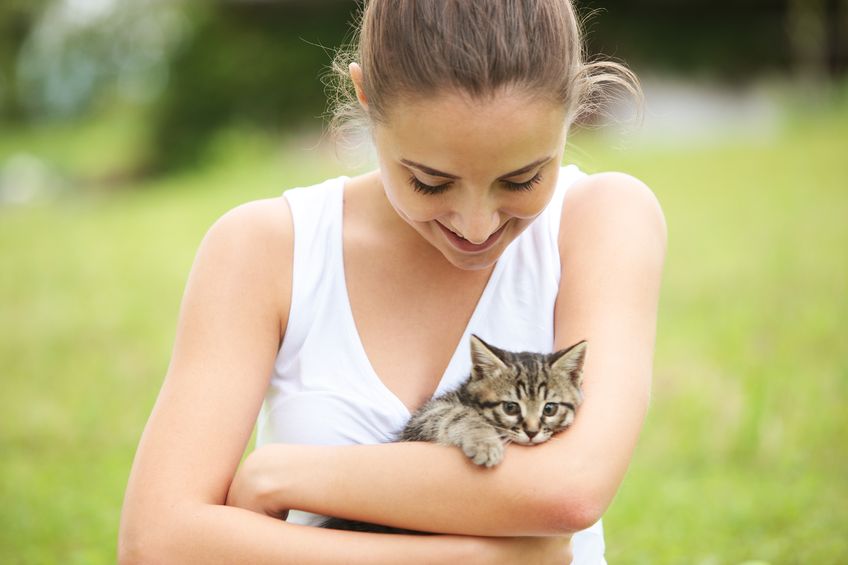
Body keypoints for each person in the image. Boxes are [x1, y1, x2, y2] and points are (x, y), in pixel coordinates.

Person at [118, 1, 666, 563]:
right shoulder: (266, 247)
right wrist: (482, 558)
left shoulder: (603, 219)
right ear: (364, 97)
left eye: (522, 178)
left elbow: (569, 489)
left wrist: (284, 474)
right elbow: (155, 542)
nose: (476, 228)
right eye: (430, 182)